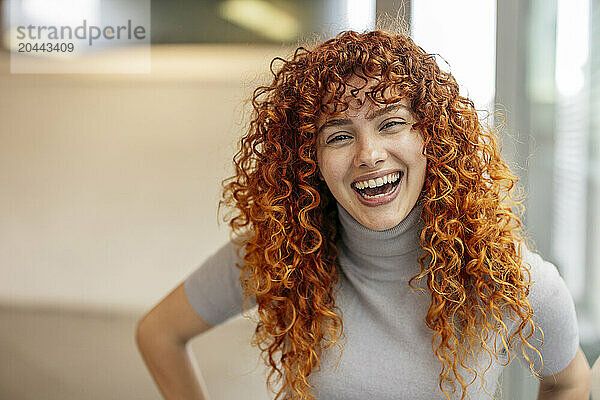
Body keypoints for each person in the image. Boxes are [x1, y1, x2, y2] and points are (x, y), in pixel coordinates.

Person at [136, 30, 591, 400]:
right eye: (338, 136)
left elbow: (569, 382)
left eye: (391, 123)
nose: (369, 154)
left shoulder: (506, 274)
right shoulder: (281, 255)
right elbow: (158, 333)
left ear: (430, 137)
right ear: (308, 159)